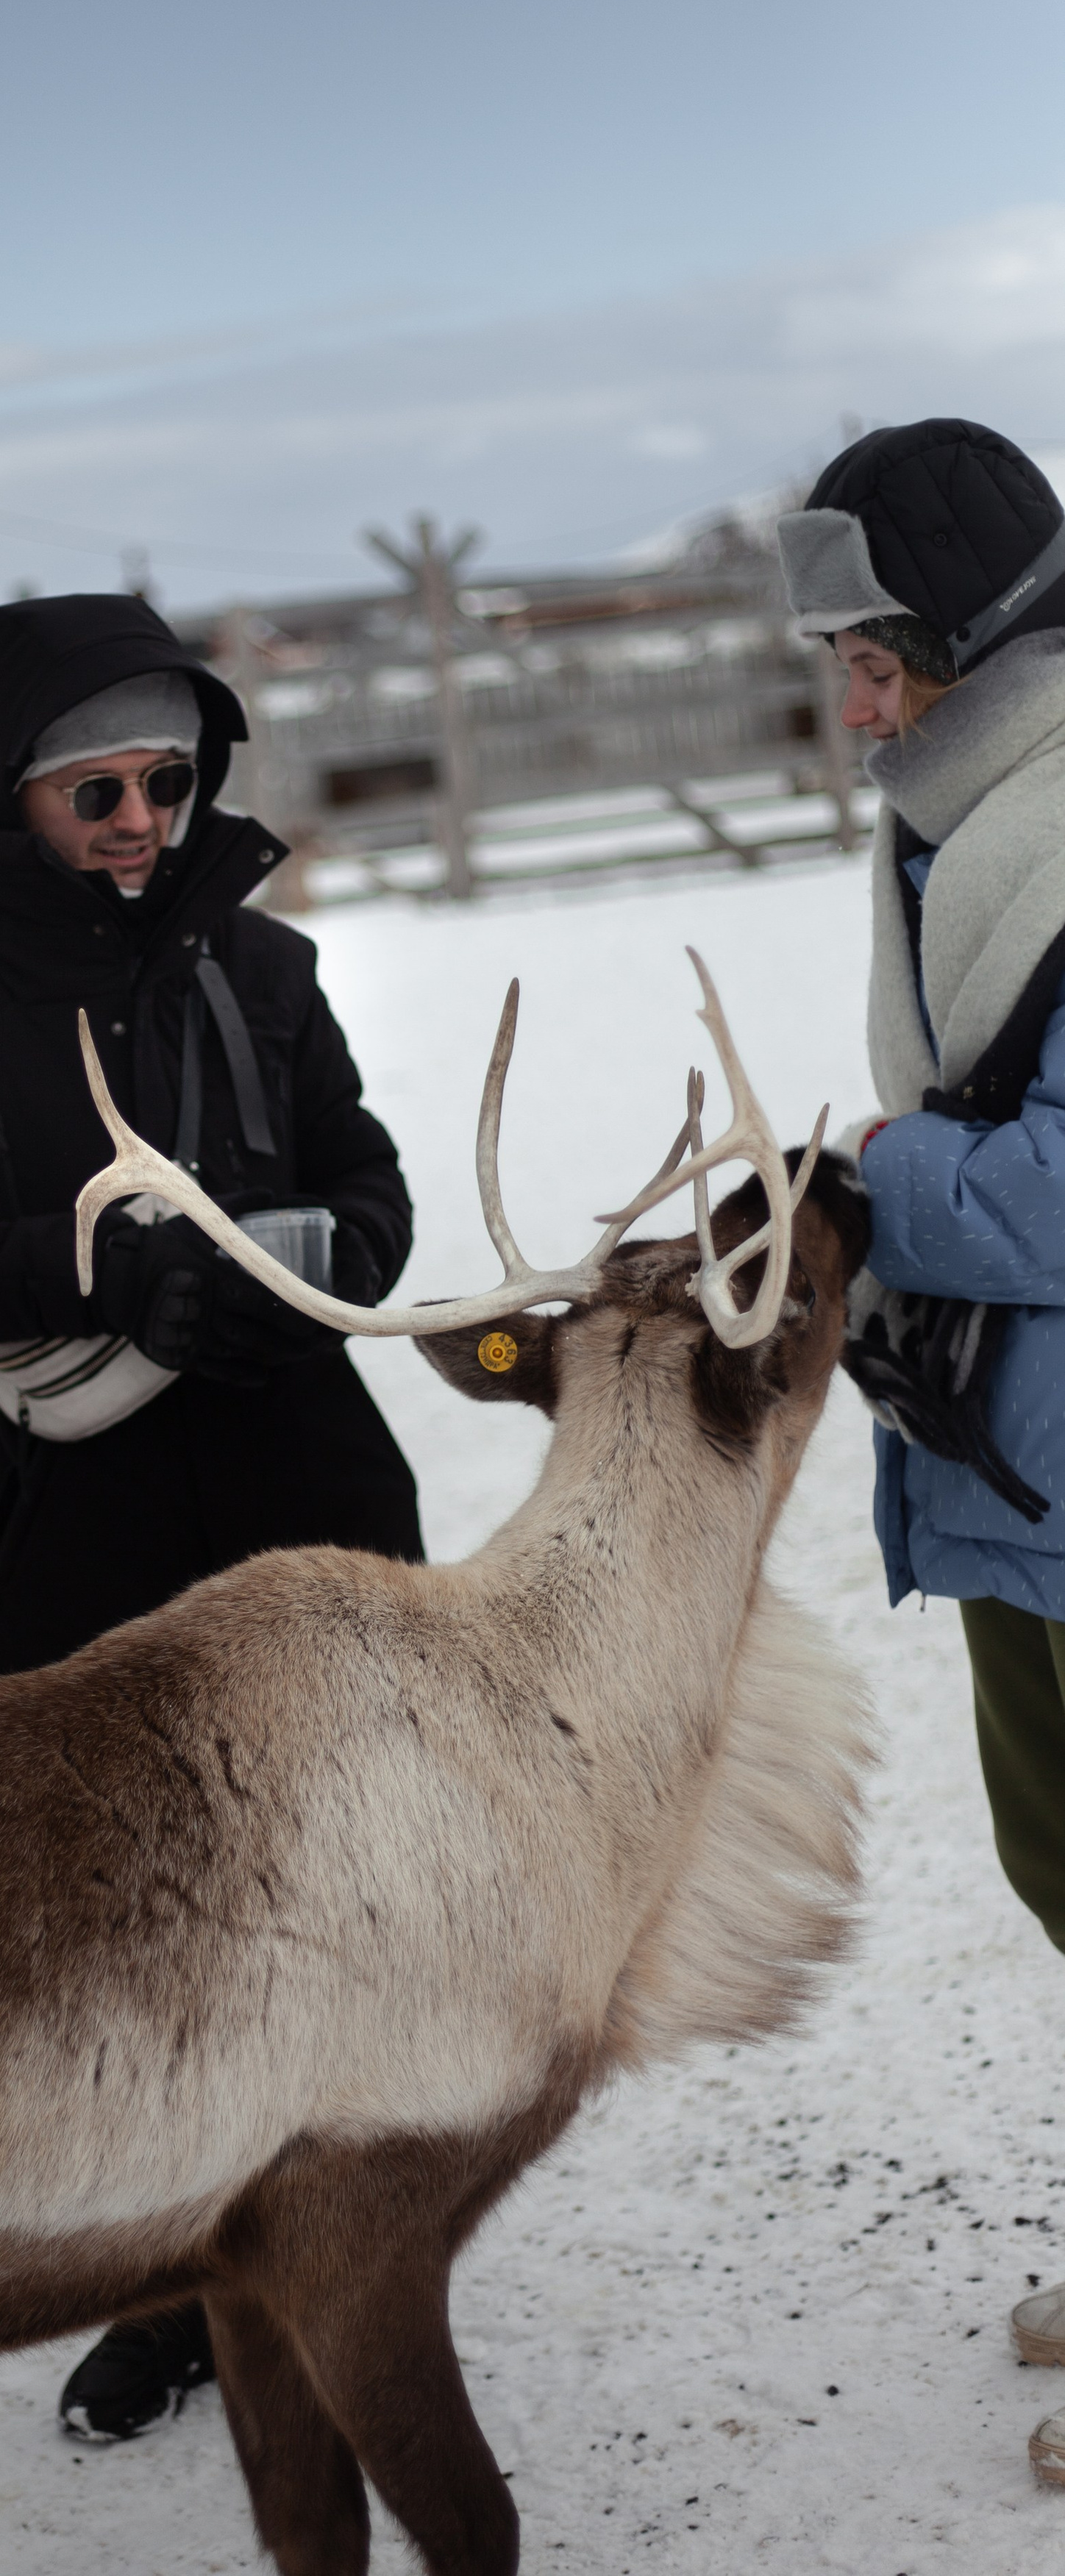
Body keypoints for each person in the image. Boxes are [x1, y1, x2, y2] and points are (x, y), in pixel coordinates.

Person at [0, 591, 424, 2444]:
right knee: (125, 1934)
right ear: (9, 791)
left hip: (304, 1503)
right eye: (97, 789)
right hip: (59, 1531)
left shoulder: (264, 966)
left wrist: (298, 1272)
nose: (140, 819)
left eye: (165, 780)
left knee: (331, 1888)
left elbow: (369, 1189)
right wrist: (88, 1268)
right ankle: (162, 2295)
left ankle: (339, 2244)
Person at [778, 416, 1065, 2491]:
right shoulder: (955, 822)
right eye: (843, 667)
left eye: (882, 659)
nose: (856, 706)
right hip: (1014, 1454)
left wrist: (885, 1177)